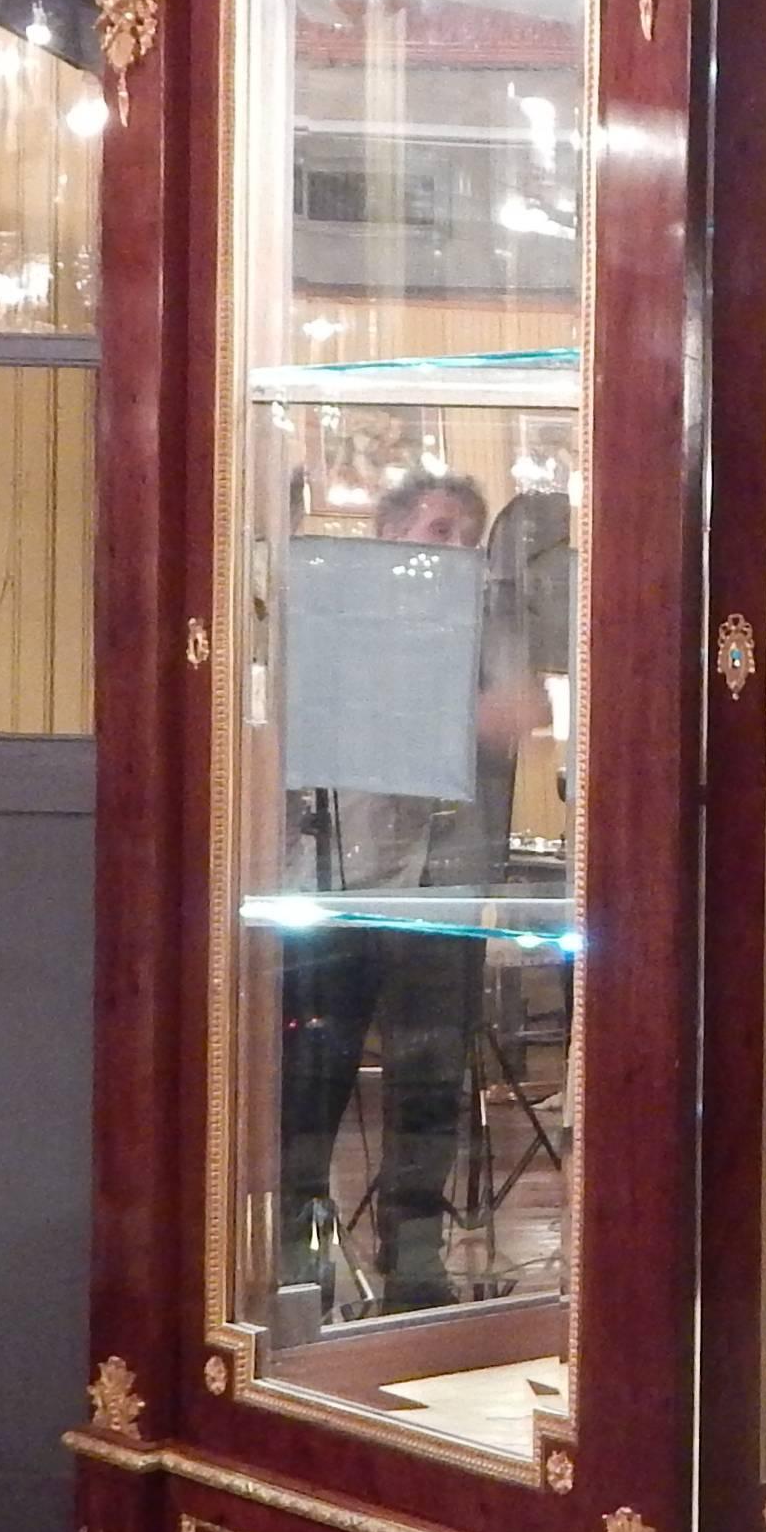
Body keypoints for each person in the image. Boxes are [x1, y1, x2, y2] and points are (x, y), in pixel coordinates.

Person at [280, 470, 536, 1309]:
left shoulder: (488, 621)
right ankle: (298, 1252)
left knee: (431, 1079)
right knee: (314, 1077)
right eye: (437, 530)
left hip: (443, 884)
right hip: (341, 880)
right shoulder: (335, 620)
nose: (455, 548)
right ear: (389, 536)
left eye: (466, 533)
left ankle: (416, 1259)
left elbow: (519, 711)